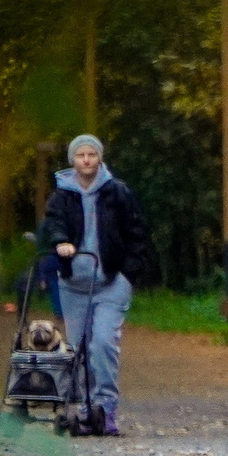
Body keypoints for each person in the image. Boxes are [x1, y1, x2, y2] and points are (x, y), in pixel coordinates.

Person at [41, 134, 154, 436]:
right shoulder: (61, 196)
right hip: (73, 283)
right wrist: (60, 242)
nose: (87, 160)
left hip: (110, 281)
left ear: (100, 158)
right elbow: (53, 223)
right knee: (77, 349)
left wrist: (128, 274)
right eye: (81, 155)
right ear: (73, 160)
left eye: (92, 154)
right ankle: (83, 409)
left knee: (103, 343)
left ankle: (106, 409)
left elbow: (137, 233)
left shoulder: (118, 193)